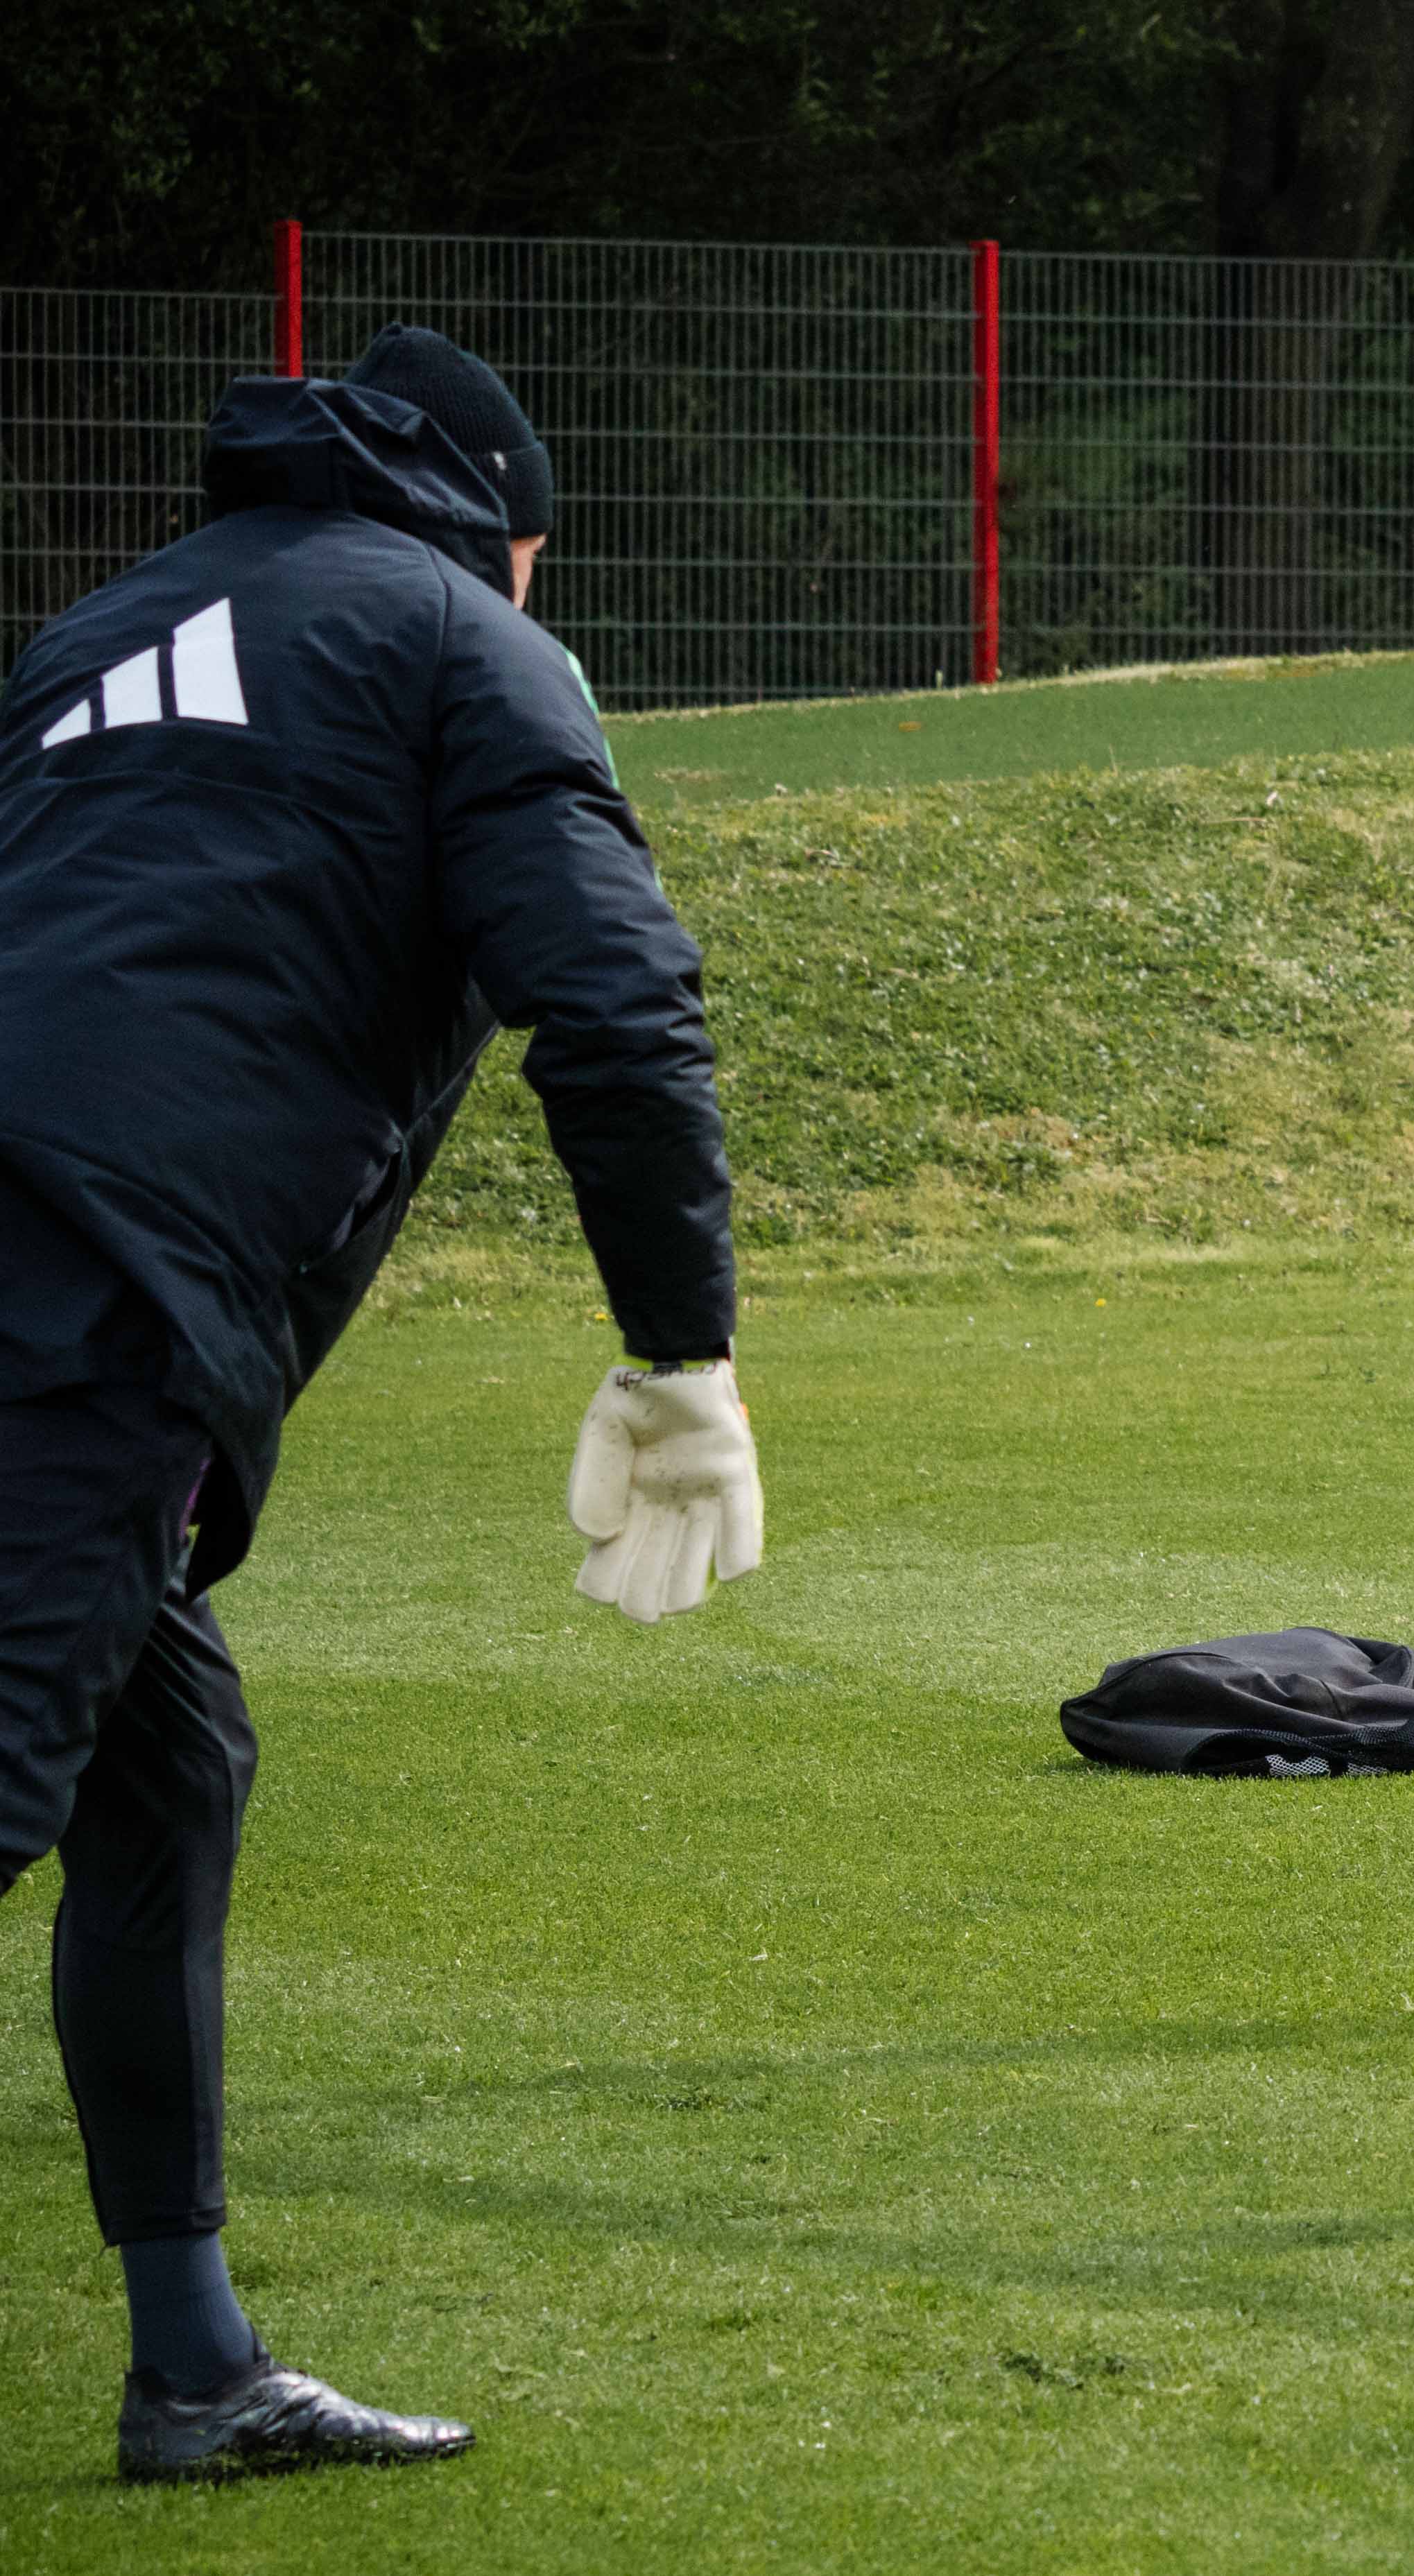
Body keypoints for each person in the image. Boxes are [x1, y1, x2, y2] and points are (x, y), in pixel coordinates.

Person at [1, 325, 765, 2481]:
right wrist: (679, 1349)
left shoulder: (101, 630)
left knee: (167, 1774)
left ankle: (194, 2362)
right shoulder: (456, 633)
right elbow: (615, 998)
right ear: (499, 525)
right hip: (83, 1290)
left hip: (63, 1271)